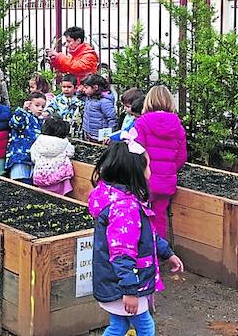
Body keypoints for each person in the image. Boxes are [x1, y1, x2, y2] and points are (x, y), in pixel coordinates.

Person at [89, 141, 184, 336]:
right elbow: (122, 253)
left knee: (119, 327)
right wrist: (130, 291)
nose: (150, 170)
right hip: (127, 283)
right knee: (145, 327)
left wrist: (167, 253)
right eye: (147, 166)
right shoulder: (125, 208)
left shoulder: (117, 198)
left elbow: (145, 233)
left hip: (116, 280)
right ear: (134, 172)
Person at [133, 85, 187, 239]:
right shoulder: (178, 126)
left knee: (139, 215)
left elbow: (137, 152)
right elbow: (181, 156)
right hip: (166, 181)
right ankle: (159, 253)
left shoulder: (142, 123)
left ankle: (140, 254)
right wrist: (169, 169)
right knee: (160, 218)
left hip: (144, 180)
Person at [5, 91, 46, 183]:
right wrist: (22, 110)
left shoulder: (39, 121)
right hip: (19, 157)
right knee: (19, 183)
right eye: (37, 105)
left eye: (42, 107)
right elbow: (15, 123)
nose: (40, 109)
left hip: (31, 159)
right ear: (29, 104)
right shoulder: (24, 116)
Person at [32, 117, 76, 195]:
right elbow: (71, 153)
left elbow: (33, 157)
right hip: (60, 179)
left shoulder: (38, 141)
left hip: (41, 178)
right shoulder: (64, 143)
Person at [45, 73, 85, 139]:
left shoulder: (79, 102)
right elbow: (51, 107)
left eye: (69, 87)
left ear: (75, 88)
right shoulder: (57, 99)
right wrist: (47, 113)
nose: (66, 89)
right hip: (60, 130)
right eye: (64, 87)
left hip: (74, 130)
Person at [82, 74, 117, 142]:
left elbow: (112, 119)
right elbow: (79, 96)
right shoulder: (89, 98)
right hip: (89, 133)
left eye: (86, 88)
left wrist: (109, 135)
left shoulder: (104, 102)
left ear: (95, 87)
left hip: (99, 136)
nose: (83, 90)